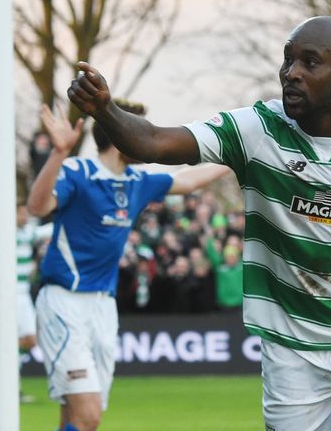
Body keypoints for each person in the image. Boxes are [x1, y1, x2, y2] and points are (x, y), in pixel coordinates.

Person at [69, 16, 331, 431]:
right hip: (292, 346)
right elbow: (153, 141)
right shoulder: (256, 130)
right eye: (288, 60)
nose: (291, 73)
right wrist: (106, 110)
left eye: (310, 63)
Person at [28, 103, 231, 431]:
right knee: (88, 413)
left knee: (80, 420)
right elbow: (37, 206)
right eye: (136, 133)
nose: (144, 141)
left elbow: (189, 180)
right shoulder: (78, 172)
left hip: (104, 308)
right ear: (117, 137)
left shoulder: (137, 180)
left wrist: (239, 157)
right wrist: (58, 153)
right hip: (65, 303)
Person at [15, 201, 52, 403]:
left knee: (29, 340)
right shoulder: (10, 233)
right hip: (9, 295)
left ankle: (4, 374)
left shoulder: (26, 231)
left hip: (22, 294)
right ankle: (4, 374)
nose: (25, 216)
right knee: (28, 339)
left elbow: (41, 232)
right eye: (21, 213)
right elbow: (43, 232)